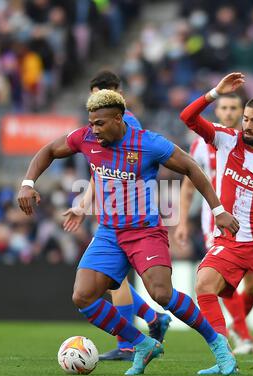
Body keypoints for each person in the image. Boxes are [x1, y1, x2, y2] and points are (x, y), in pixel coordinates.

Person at [18, 89, 239, 376]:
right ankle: (142, 344)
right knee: (83, 296)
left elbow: (191, 167)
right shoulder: (85, 138)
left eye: (100, 123)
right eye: (91, 122)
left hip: (144, 232)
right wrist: (27, 182)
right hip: (110, 232)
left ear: (119, 119)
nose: (94, 129)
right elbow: (48, 150)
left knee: (162, 294)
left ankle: (219, 346)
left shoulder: (147, 143)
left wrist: (218, 209)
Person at [180, 72, 253, 375]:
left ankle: (240, 332)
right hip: (231, 240)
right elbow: (187, 117)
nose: (246, 125)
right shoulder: (225, 139)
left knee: (251, 290)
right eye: (245, 119)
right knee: (204, 284)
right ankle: (225, 358)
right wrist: (214, 93)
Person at [86, 70, 172, 361]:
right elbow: (99, 171)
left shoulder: (125, 123)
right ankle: (153, 319)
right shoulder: (99, 124)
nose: (95, 99)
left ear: (117, 94)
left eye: (101, 93)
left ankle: (128, 344)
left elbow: (131, 170)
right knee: (109, 283)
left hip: (131, 220)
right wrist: (85, 201)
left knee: (114, 282)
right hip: (110, 216)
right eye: (93, 93)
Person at [175, 93, 253, 354]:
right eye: (224, 107)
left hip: (252, 223)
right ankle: (242, 336)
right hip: (216, 222)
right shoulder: (204, 143)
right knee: (225, 277)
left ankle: (236, 324)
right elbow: (189, 183)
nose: (228, 112)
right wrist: (181, 221)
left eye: (234, 108)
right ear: (218, 111)